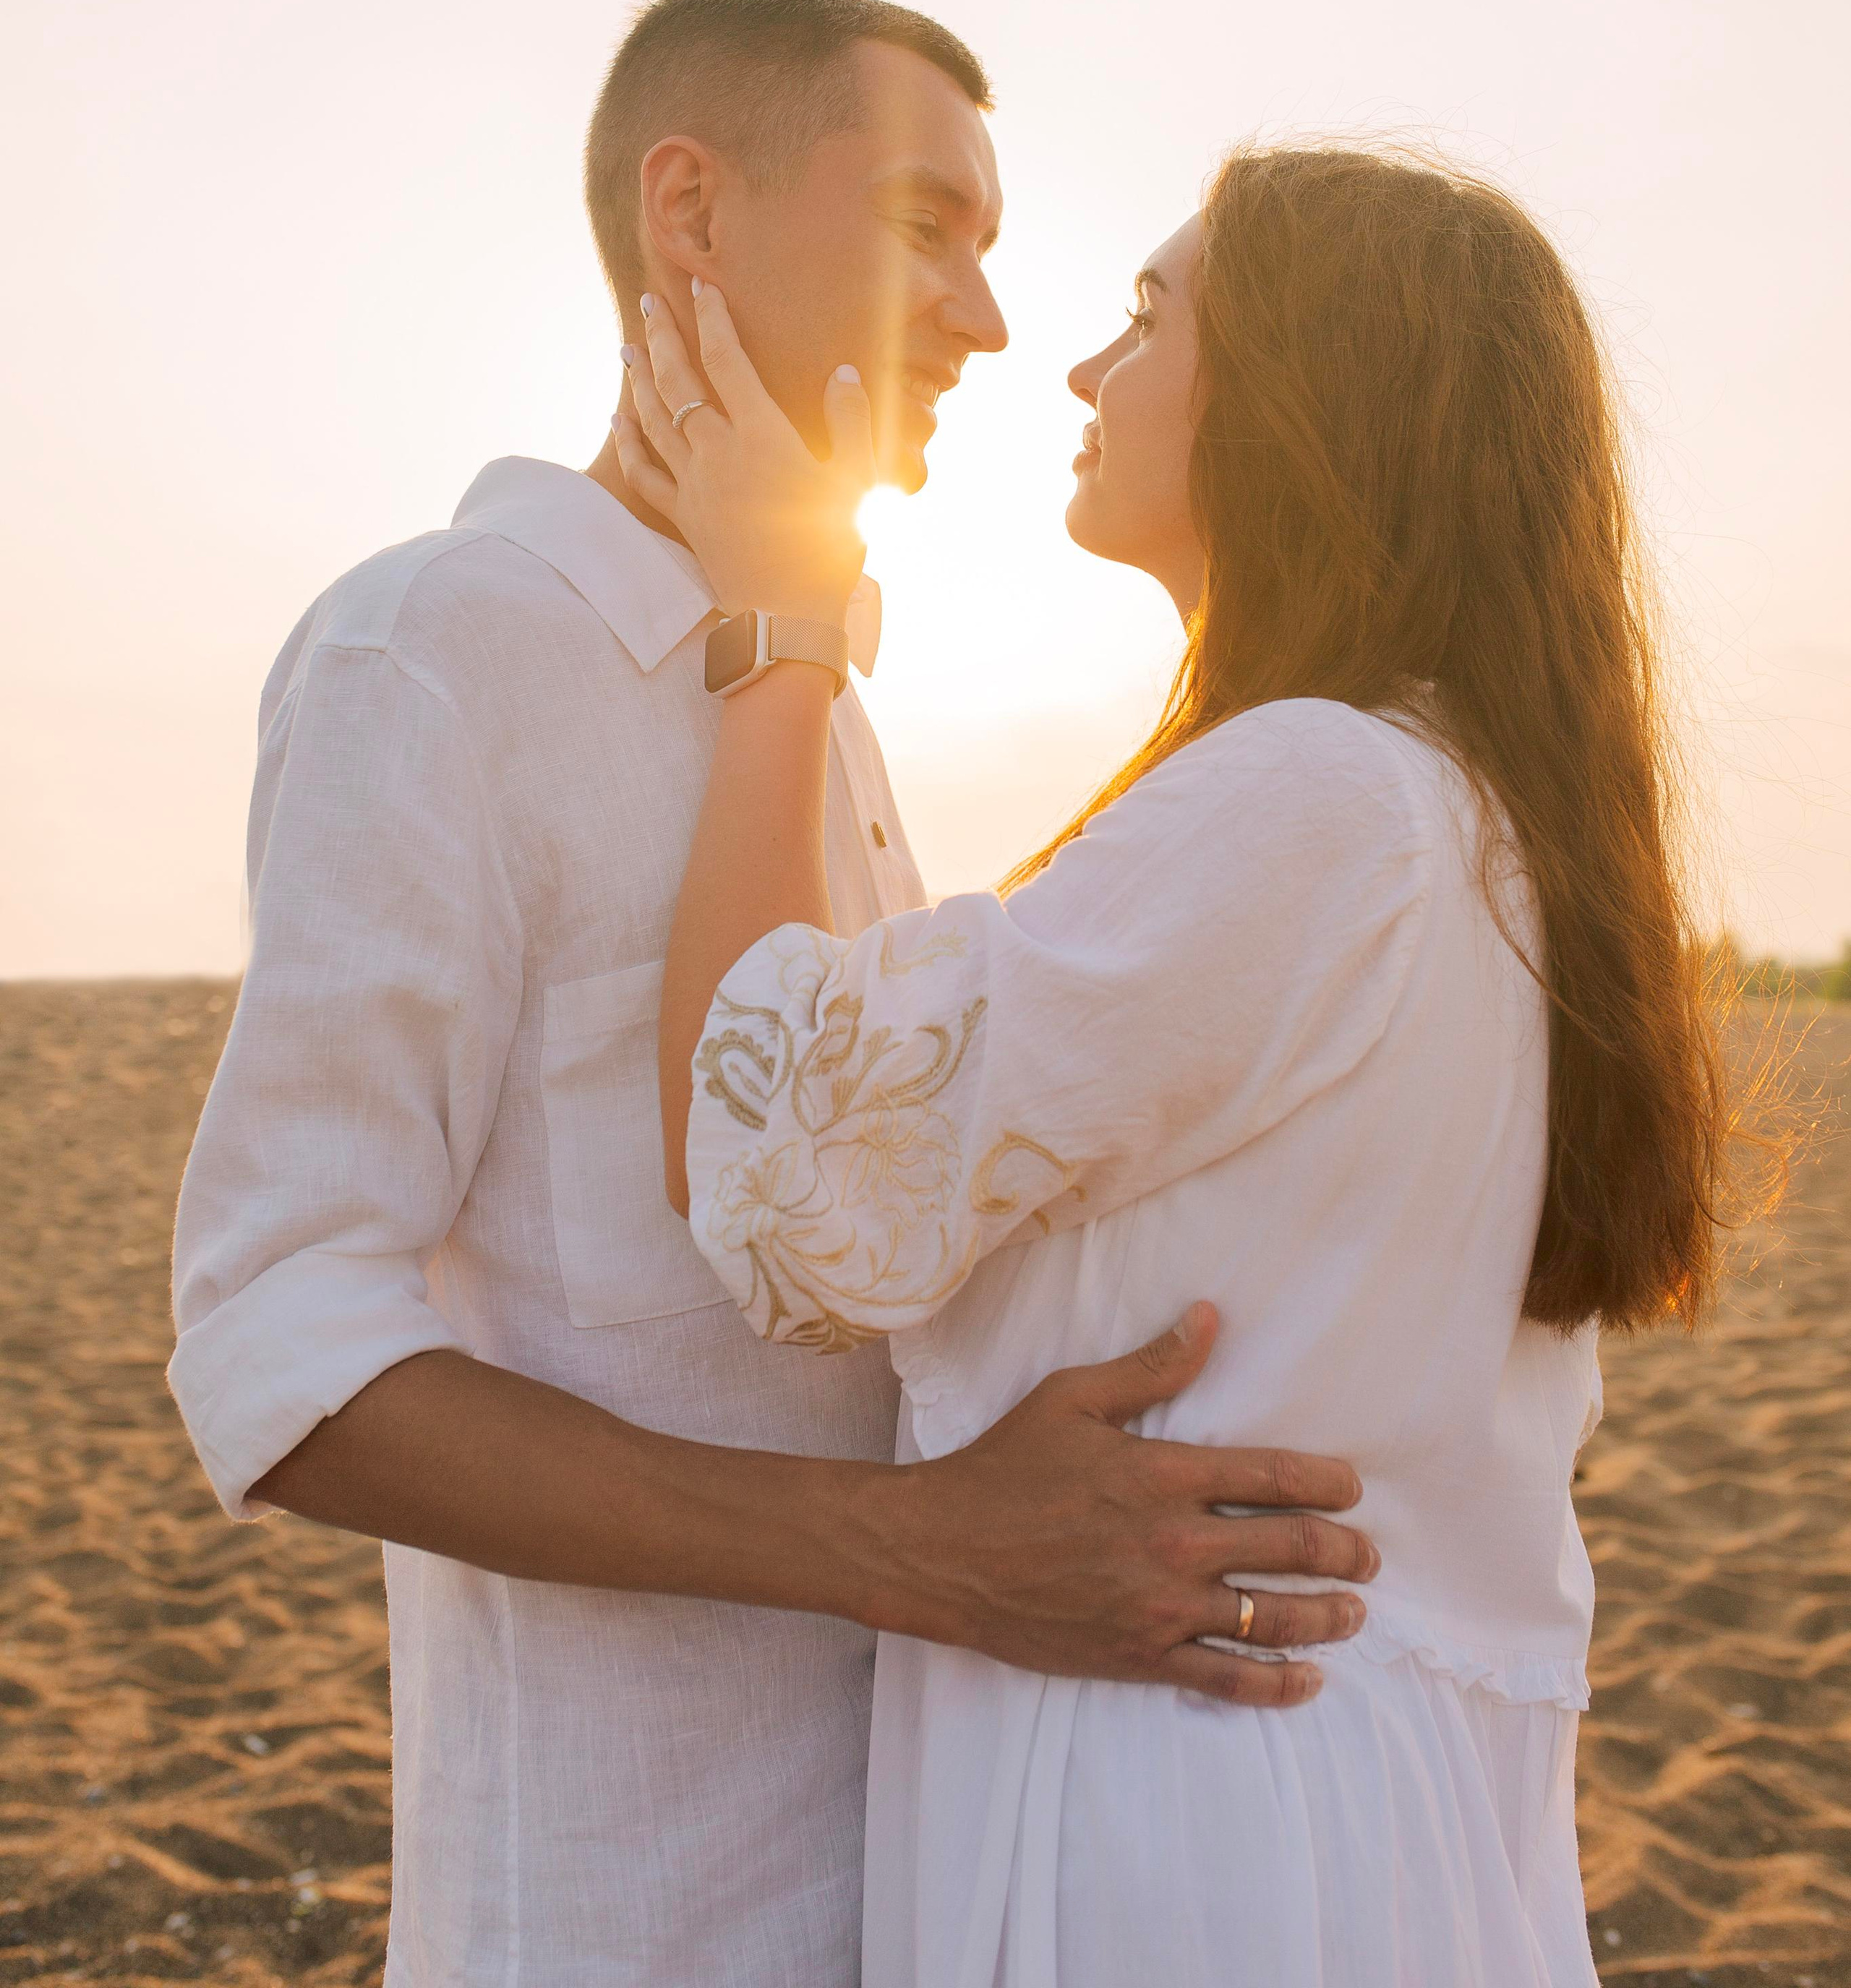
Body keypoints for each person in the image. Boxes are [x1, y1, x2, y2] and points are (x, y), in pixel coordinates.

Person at [168, 0, 1377, 1988]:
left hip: (927, 1897)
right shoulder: (433, 649)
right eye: (928, 226)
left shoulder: (804, 694)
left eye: (993, 249)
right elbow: (278, 1341)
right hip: (622, 1922)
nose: (989, 321)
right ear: (690, 215)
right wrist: (925, 1554)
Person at [619, 139, 1729, 1986]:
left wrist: (783, 634)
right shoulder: (1481, 822)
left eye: (1147, 315)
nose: (1078, 367)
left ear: (1306, 399)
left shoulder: (1321, 794)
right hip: (1377, 1810)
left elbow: (773, 1161)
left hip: (1188, 1811)